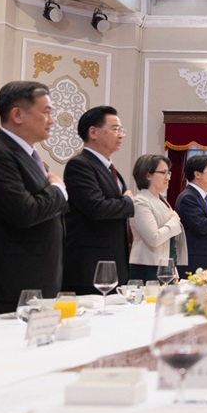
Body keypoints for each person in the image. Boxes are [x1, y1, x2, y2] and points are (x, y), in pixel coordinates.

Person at [0, 81, 68, 312]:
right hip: (9, 286)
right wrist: (58, 189)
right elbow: (25, 212)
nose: (52, 120)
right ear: (17, 114)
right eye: (46, 112)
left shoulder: (30, 156)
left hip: (38, 280)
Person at [62, 106, 135, 294]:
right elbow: (96, 207)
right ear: (93, 132)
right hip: (90, 266)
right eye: (115, 129)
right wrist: (127, 203)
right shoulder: (80, 165)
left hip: (115, 263)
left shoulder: (111, 169)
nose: (121, 135)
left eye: (121, 130)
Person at [128, 154, 184, 282]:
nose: (168, 177)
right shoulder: (141, 201)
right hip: (147, 266)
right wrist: (174, 221)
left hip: (165, 265)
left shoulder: (161, 200)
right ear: (148, 175)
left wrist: (173, 269)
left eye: (168, 173)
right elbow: (154, 238)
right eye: (163, 173)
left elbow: (170, 242)